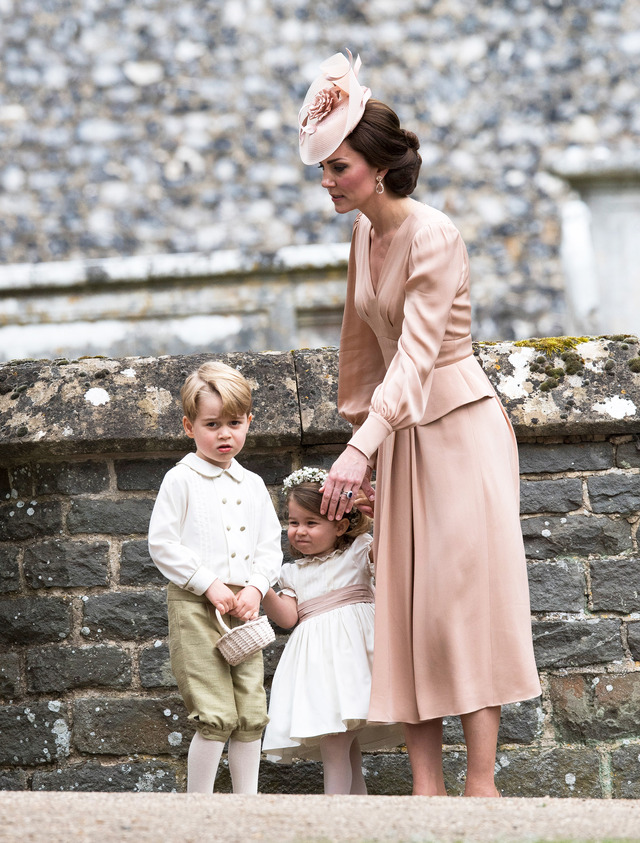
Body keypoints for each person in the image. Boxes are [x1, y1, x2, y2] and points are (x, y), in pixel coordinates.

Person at [298, 50, 542, 797]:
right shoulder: (362, 237)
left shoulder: (433, 235)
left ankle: (482, 784)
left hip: (459, 428)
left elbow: (416, 355)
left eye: (338, 167)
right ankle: (425, 789)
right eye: (323, 170)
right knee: (405, 601)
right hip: (398, 436)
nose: (328, 182)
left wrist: (357, 447)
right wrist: (364, 448)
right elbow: (362, 353)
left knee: (463, 597)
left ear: (375, 166)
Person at [148, 361, 282, 794]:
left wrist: (258, 587)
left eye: (234, 423)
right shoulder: (180, 479)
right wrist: (208, 582)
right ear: (189, 426)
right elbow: (163, 543)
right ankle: (199, 808)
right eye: (212, 424)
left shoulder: (254, 484)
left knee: (250, 712)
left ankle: (247, 805)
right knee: (215, 712)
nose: (225, 434)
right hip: (196, 605)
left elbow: (269, 544)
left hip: (244, 610)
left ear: (249, 422)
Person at [261, 468, 402, 794]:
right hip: (320, 668)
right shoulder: (293, 572)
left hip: (355, 660)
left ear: (339, 525)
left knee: (337, 742)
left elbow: (388, 556)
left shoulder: (357, 552)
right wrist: (262, 587)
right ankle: (354, 815)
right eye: (294, 523)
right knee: (340, 742)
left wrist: (379, 514)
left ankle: (334, 814)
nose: (300, 532)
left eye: (311, 523)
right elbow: (287, 618)